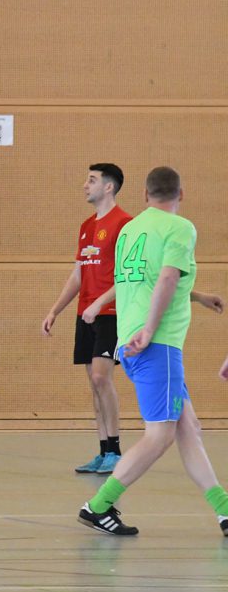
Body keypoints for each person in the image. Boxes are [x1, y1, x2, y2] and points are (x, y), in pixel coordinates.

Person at [77, 167, 228, 536]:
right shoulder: (180, 228)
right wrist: (148, 330)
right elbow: (167, 278)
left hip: (129, 341)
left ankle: (224, 511)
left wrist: (197, 297)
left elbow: (140, 281)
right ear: (182, 194)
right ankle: (98, 506)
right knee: (160, 435)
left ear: (145, 195)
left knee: (188, 428)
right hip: (156, 344)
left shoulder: (130, 229)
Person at [41, 164, 132, 474]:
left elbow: (127, 275)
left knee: (102, 378)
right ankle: (103, 450)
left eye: (91, 180)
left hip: (111, 313)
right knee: (94, 383)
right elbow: (78, 274)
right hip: (85, 314)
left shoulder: (125, 224)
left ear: (109, 186)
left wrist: (100, 303)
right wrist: (55, 310)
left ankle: (115, 450)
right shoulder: (85, 226)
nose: (85, 185)